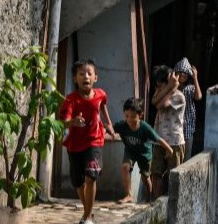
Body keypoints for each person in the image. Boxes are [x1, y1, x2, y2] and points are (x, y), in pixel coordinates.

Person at [59, 60, 116, 224]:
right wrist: (72, 122)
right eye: (81, 74)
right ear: (75, 78)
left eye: (89, 73)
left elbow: (103, 106)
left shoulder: (100, 94)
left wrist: (109, 124)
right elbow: (63, 121)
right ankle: (88, 213)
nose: (86, 76)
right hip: (75, 144)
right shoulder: (71, 100)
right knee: (79, 182)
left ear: (95, 77)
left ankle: (87, 217)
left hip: (95, 140)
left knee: (91, 177)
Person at [114, 98, 173, 203]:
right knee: (125, 167)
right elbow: (110, 128)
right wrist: (102, 130)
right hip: (130, 151)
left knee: (145, 178)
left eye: (133, 117)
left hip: (144, 154)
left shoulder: (145, 128)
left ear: (140, 115)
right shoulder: (122, 125)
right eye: (127, 116)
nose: (129, 120)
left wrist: (169, 149)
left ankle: (148, 198)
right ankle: (128, 195)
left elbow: (158, 139)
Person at [150, 66, 186, 198]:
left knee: (173, 176)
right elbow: (154, 101)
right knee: (156, 172)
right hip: (159, 140)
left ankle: (172, 204)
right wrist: (168, 87)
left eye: (161, 84)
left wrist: (171, 88)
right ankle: (157, 203)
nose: (158, 87)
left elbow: (161, 104)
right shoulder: (159, 92)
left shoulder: (179, 96)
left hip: (174, 142)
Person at [173, 57, 202, 158]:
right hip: (174, 129)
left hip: (187, 129)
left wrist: (195, 78)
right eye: (180, 72)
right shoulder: (171, 88)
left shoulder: (189, 88)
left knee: (186, 157)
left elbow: (198, 97)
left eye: (185, 73)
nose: (182, 75)